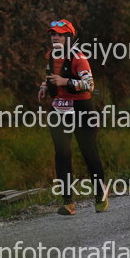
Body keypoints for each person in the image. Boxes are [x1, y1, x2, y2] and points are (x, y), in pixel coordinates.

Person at [38, 19, 108, 216]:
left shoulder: (79, 58)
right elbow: (50, 76)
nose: (55, 37)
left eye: (59, 35)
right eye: (53, 34)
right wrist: (44, 87)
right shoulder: (50, 56)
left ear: (69, 38)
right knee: (62, 153)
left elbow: (90, 85)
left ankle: (100, 194)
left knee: (89, 152)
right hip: (58, 109)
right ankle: (68, 202)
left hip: (81, 108)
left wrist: (65, 81)